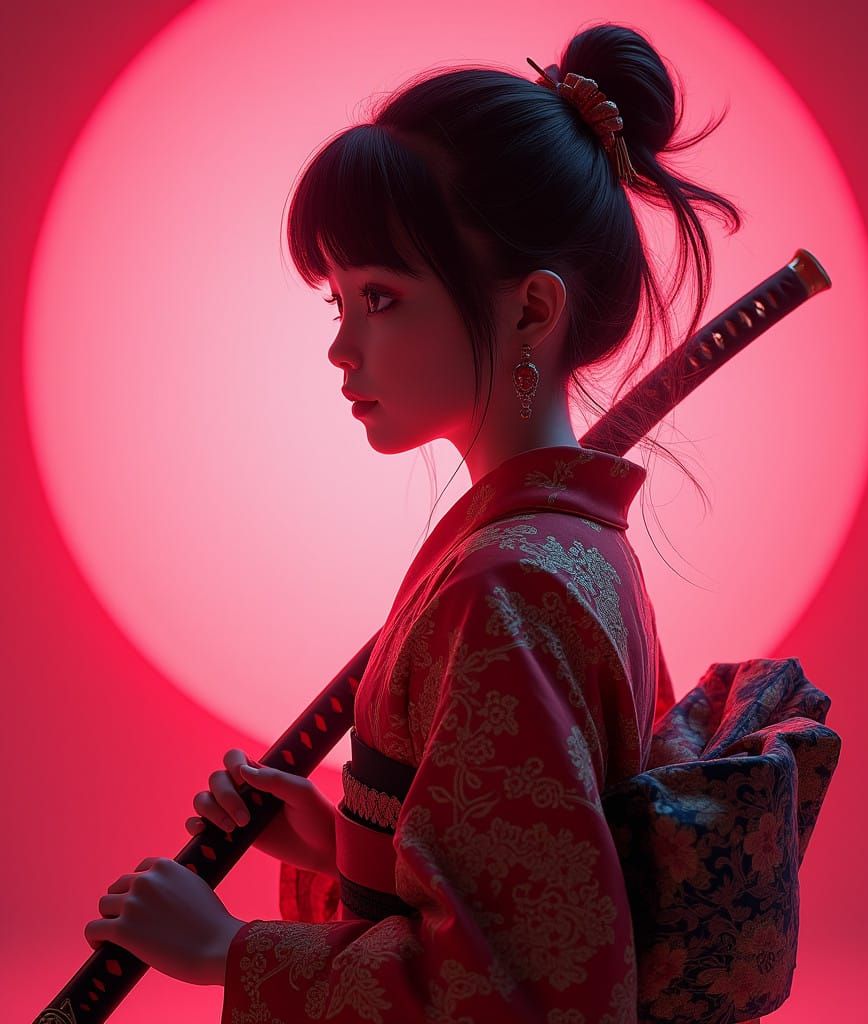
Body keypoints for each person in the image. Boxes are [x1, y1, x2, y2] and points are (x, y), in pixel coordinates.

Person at [87, 22, 749, 1023]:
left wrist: (230, 953)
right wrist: (343, 840)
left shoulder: (508, 586)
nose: (343, 347)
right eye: (338, 301)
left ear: (531, 311)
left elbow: (523, 989)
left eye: (382, 298)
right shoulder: (563, 548)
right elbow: (525, 875)